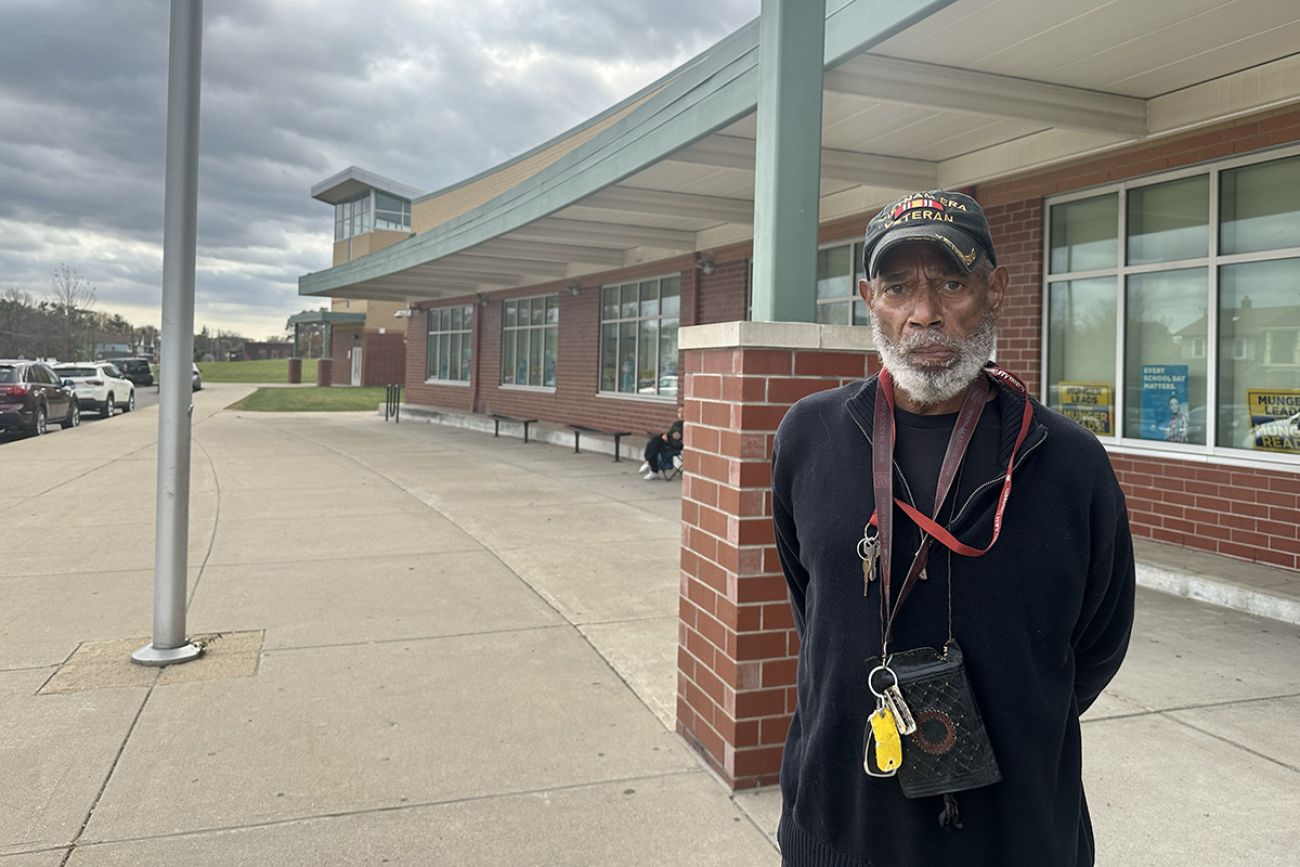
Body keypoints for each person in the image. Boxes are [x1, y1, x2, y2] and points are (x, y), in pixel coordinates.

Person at [771, 190, 1135, 866]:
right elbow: (813, 607)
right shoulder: (809, 437)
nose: (924, 314)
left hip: (1020, 834)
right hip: (842, 827)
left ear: (995, 289)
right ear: (866, 297)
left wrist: (1015, 712)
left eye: (952, 282)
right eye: (897, 286)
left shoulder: (1067, 459)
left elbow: (1099, 642)